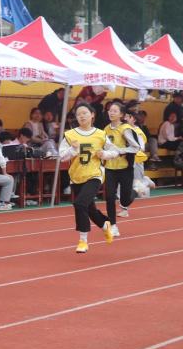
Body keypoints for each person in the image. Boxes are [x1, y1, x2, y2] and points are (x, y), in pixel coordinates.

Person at [59, 103, 116, 253]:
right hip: (76, 176)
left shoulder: (100, 134)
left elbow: (114, 151)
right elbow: (62, 157)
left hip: (94, 175)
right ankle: (105, 224)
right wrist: (73, 149)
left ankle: (83, 240)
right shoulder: (70, 135)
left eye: (84, 113)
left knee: (79, 204)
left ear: (92, 115)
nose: (82, 116)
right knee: (90, 209)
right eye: (78, 114)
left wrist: (105, 154)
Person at [102, 102, 139, 233]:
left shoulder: (126, 129)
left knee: (125, 200)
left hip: (125, 168)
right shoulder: (106, 129)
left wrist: (121, 151)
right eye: (110, 110)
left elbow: (136, 147)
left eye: (115, 111)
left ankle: (135, 191)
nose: (111, 113)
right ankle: (113, 225)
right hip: (110, 168)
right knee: (109, 197)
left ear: (121, 114)